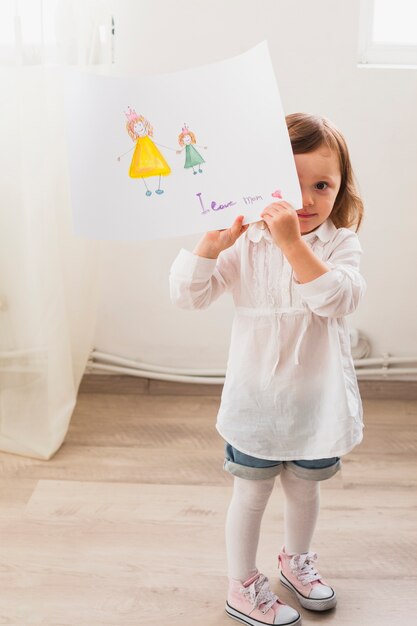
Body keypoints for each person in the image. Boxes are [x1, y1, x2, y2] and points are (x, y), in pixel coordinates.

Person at [169, 112, 366, 626]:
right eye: (290, 184)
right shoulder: (246, 245)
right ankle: (241, 584)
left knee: (306, 487)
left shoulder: (340, 244)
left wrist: (294, 246)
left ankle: (295, 562)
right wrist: (209, 248)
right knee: (251, 491)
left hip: (315, 401)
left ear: (341, 189)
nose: (305, 200)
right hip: (257, 402)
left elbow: (337, 299)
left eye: (321, 185)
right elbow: (187, 298)